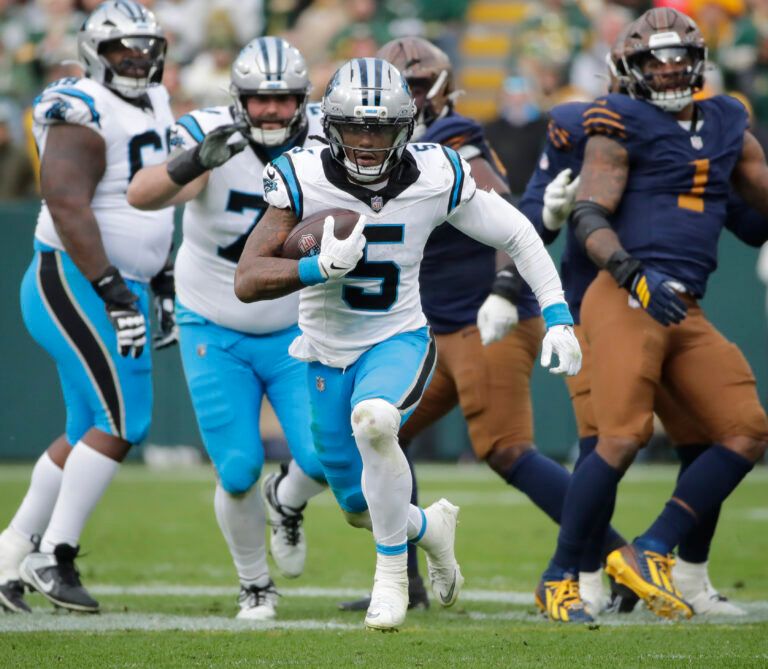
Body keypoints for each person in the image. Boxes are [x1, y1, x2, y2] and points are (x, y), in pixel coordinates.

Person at [234, 57, 582, 631]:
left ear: (408, 127)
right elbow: (248, 278)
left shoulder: (435, 173)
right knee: (356, 505)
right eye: (355, 128)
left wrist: (558, 314)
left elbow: (518, 232)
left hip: (399, 338)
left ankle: (391, 580)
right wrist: (315, 268)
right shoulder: (301, 174)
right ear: (331, 126)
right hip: (325, 352)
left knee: (376, 422)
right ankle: (429, 528)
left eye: (382, 128)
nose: (368, 142)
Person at [338, 35, 608, 616]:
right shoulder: (364, 147)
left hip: (483, 318)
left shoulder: (450, 139)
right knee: (386, 431)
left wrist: (506, 288)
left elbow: (505, 212)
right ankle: (403, 575)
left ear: (435, 92)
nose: (394, 102)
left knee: (506, 449)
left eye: (410, 89)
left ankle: (617, 558)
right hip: (435, 332)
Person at [510, 29, 768, 618]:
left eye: (682, 60)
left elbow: (759, 204)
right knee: (619, 437)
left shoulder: (728, 120)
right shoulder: (615, 121)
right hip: (626, 295)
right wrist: (631, 273)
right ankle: (562, 577)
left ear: (700, 63)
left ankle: (650, 548)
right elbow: (589, 212)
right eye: (659, 60)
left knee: (745, 428)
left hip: (684, 305)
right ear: (632, 69)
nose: (672, 71)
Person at [127, 37, 327, 621]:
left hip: (295, 324)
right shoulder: (206, 131)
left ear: (303, 100)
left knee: (321, 460)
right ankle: (255, 585)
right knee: (237, 468)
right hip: (213, 321)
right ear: (237, 99)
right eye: (259, 99)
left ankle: (284, 503)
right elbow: (144, 195)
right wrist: (196, 162)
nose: (270, 111)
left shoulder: (326, 141)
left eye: (284, 99)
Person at [0, 1, 175, 614]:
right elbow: (68, 202)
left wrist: (166, 278)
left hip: (113, 280)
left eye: (148, 47)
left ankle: (8, 556)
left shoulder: (155, 101)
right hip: (78, 280)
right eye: (125, 48)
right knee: (126, 422)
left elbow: (153, 200)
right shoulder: (77, 104)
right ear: (95, 52)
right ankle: (55, 554)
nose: (139, 58)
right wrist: (113, 288)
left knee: (86, 431)